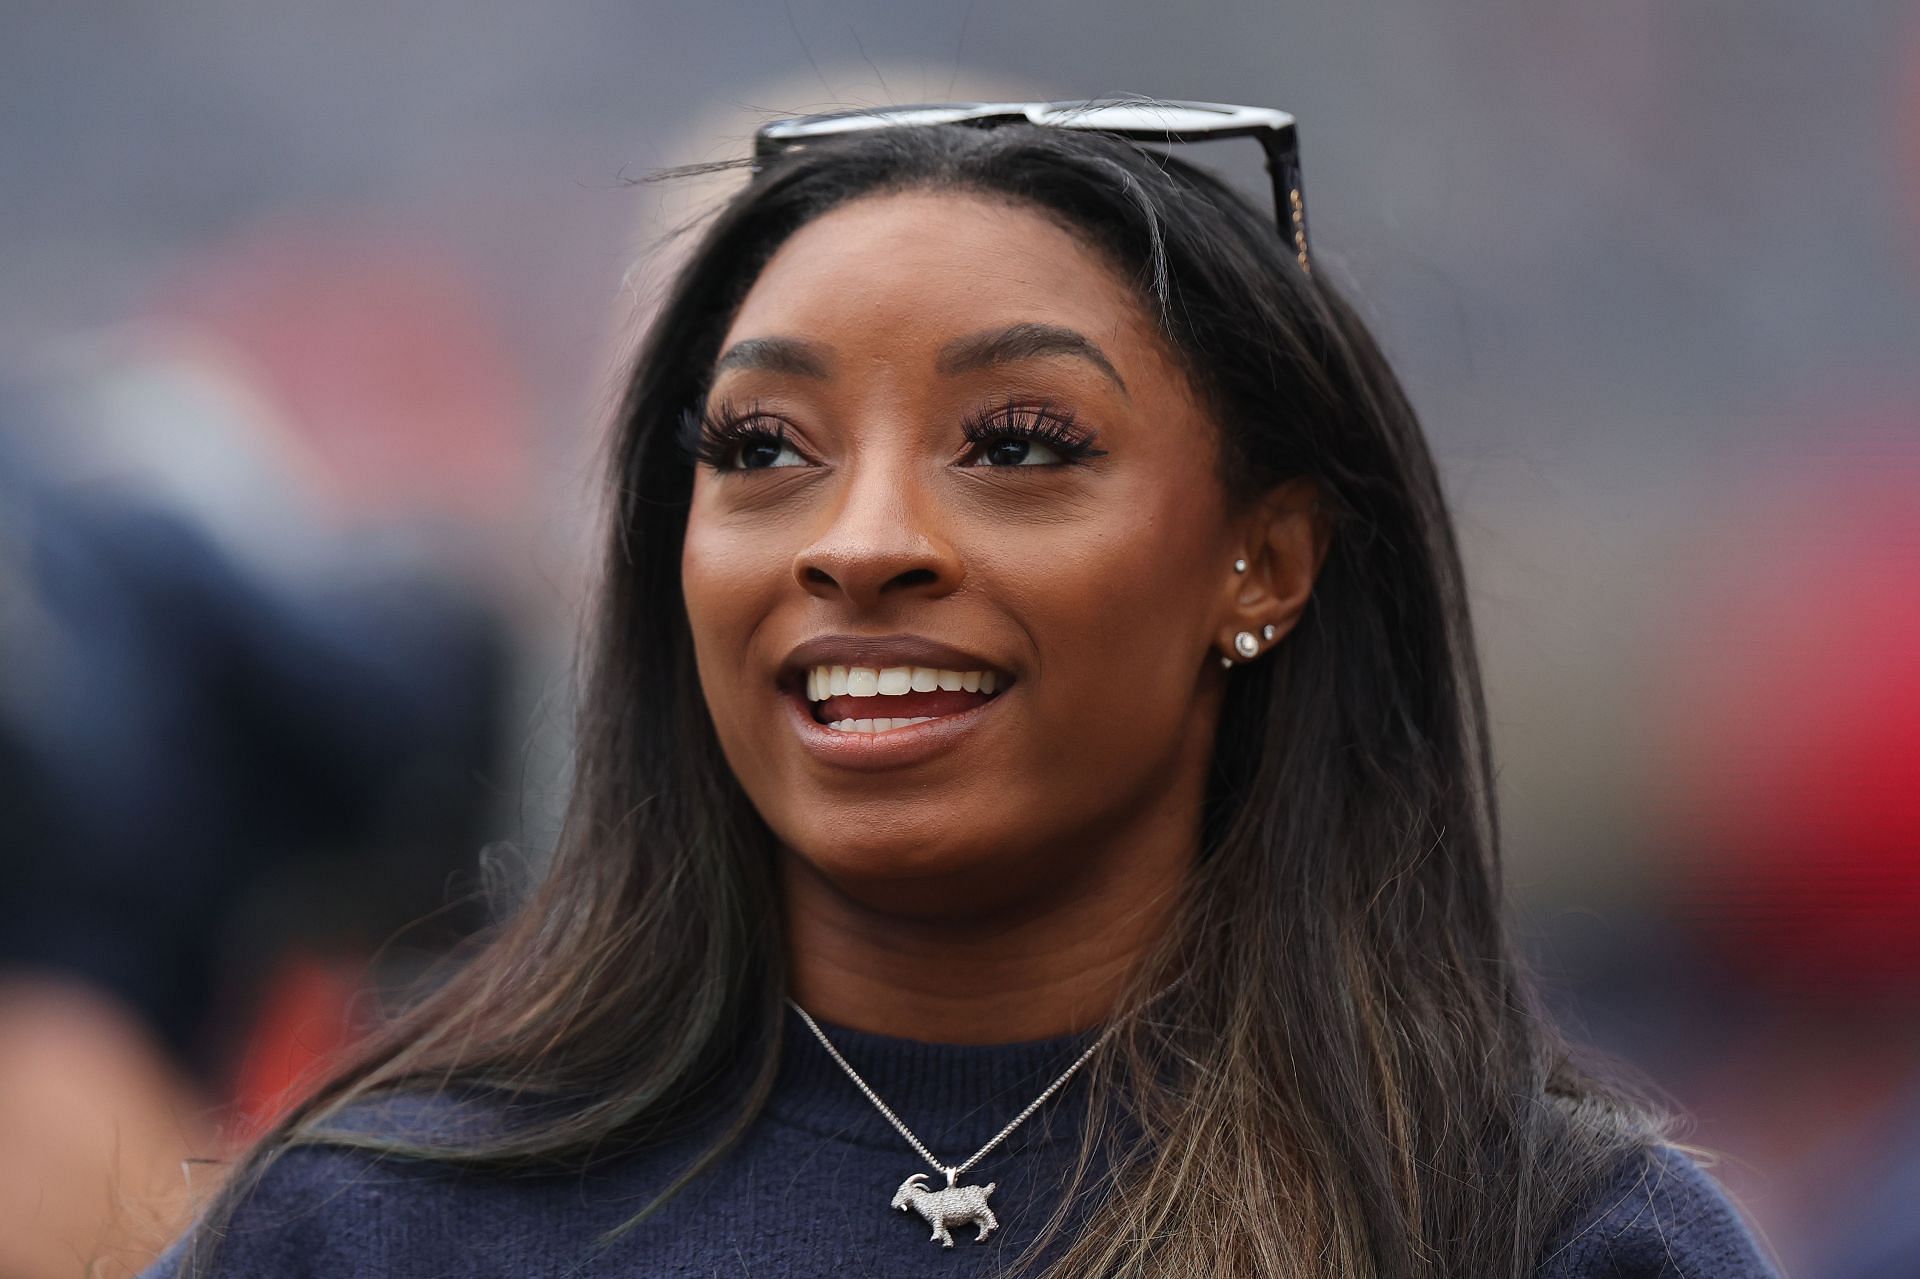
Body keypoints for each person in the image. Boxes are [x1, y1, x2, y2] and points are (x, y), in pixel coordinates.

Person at [140, 101, 1782, 1278]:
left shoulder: (1542, 1237)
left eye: (1016, 446)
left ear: (1264, 561)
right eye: (764, 450)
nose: (860, 544)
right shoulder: (367, 1228)